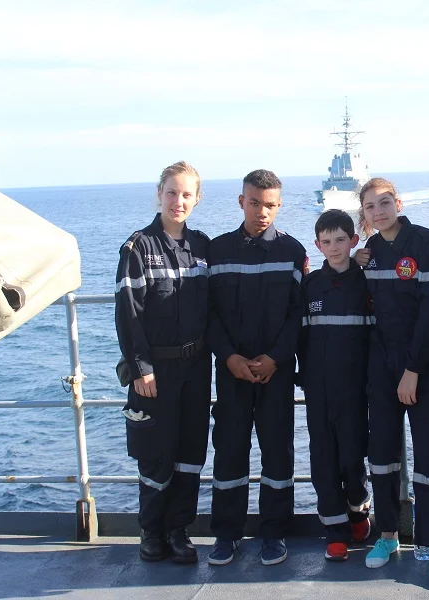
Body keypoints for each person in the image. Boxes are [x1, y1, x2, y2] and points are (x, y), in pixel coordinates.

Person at [354, 178, 429, 589]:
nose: (379, 211)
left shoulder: (425, 243)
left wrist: (414, 368)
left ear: (398, 203)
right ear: (363, 214)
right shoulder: (371, 254)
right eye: (370, 207)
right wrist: (357, 258)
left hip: (427, 366)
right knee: (381, 455)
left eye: (385, 203)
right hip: (383, 368)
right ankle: (386, 537)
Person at [207, 169, 307, 567]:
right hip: (231, 373)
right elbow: (208, 314)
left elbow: (298, 315)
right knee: (229, 451)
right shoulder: (216, 252)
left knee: (277, 454)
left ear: (279, 205)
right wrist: (229, 357)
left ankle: (274, 532)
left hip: (276, 373)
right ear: (241, 201)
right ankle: (226, 534)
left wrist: (275, 358)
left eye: (269, 205)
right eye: (254, 203)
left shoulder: (293, 252)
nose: (261, 212)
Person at [115, 161, 211, 564]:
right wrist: (140, 367)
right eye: (172, 192)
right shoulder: (138, 248)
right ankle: (151, 531)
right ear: (159, 194)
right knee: (156, 453)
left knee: (190, 452)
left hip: (196, 368)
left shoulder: (203, 246)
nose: (178, 201)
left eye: (186, 194)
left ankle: (178, 530)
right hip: (156, 371)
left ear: (197, 199)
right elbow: (128, 312)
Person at [297, 209, 373, 562]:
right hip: (319, 389)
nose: (334, 247)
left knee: (352, 457)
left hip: (357, 389)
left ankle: (359, 512)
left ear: (354, 240)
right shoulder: (310, 286)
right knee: (323, 458)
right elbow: (300, 338)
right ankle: (335, 530)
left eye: (340, 240)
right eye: (326, 242)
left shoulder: (367, 282)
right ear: (317, 245)